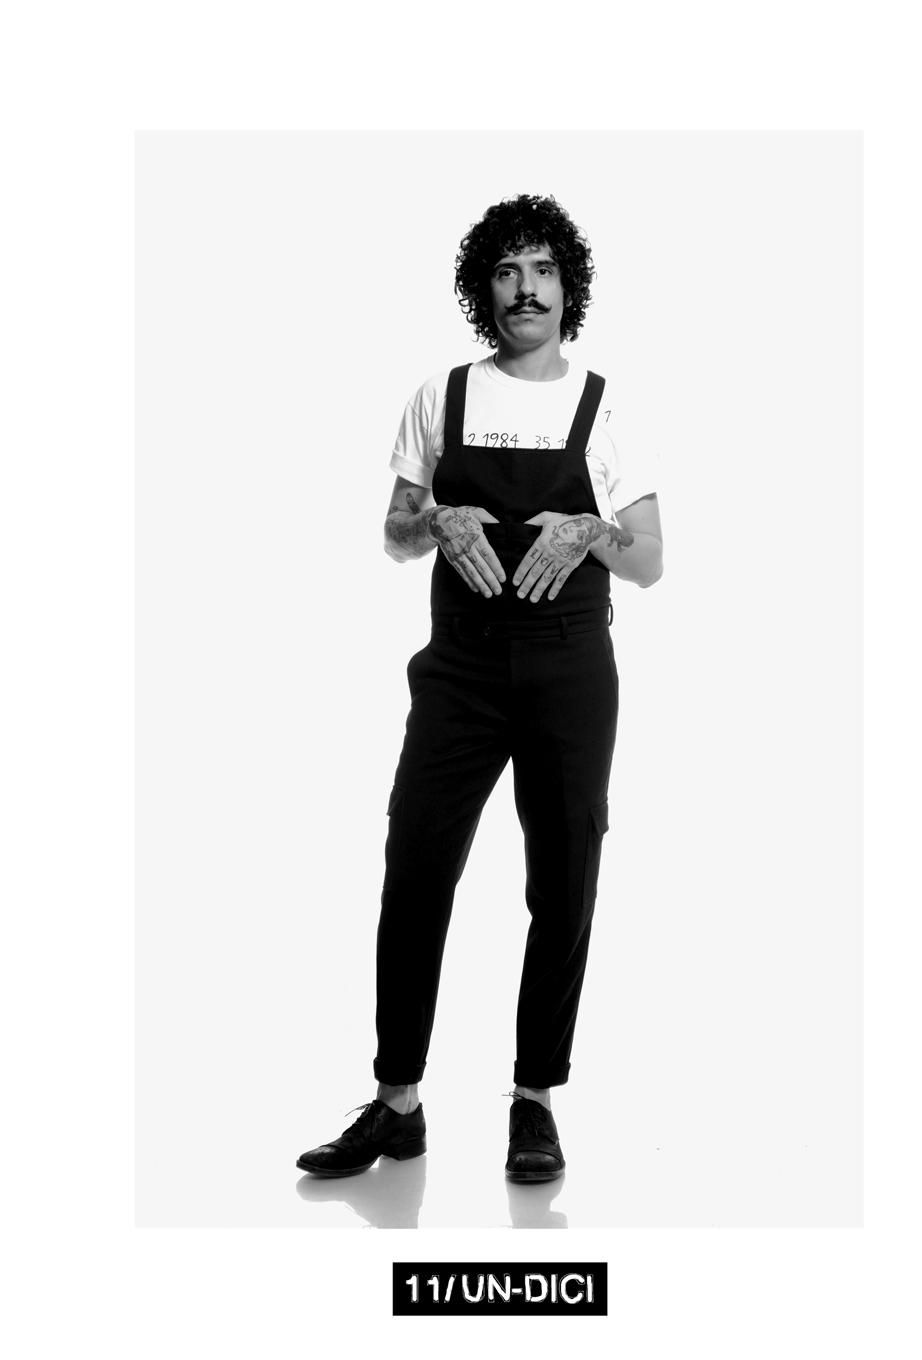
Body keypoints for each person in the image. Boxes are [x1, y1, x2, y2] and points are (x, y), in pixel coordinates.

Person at [297, 193, 662, 1184]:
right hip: (458, 667)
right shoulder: (441, 396)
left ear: (568, 288)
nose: (524, 289)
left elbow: (650, 559)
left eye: (542, 270)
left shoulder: (605, 404)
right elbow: (394, 532)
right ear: (482, 290)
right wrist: (435, 521)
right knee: (416, 866)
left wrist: (586, 529)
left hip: (569, 664)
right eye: (505, 271)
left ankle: (534, 1099)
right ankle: (397, 1103)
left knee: (563, 879)